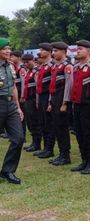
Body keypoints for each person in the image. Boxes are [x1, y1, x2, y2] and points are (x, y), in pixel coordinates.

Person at [68, 40, 90, 174]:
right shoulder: (76, 68)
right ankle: (84, 161)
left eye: (81, 49)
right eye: (77, 49)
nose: (78, 51)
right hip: (77, 106)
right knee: (79, 134)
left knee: (89, 135)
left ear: (89, 51)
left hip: (88, 107)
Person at [0, 37, 24, 184]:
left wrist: (18, 106)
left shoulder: (10, 66)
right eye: (5, 49)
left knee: (18, 138)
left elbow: (13, 86)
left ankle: (7, 171)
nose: (9, 51)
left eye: (9, 48)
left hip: (10, 106)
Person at [47, 42, 72, 166]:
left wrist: (65, 102)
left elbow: (68, 85)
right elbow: (52, 86)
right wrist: (51, 102)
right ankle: (61, 154)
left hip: (62, 99)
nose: (53, 53)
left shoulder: (67, 66)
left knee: (62, 128)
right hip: (55, 99)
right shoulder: (55, 67)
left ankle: (65, 155)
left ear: (63, 51)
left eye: (56, 51)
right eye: (53, 51)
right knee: (57, 127)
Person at [34, 42, 55, 158]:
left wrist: (50, 101)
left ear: (48, 52)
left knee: (49, 123)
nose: (40, 52)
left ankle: (49, 148)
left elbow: (52, 85)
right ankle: (45, 147)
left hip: (48, 96)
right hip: (41, 97)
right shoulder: (42, 66)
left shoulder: (52, 65)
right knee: (42, 122)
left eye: (42, 50)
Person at [21, 54, 42, 154]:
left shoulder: (36, 72)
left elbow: (38, 88)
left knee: (35, 122)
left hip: (33, 100)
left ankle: (37, 144)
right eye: (24, 62)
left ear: (33, 61)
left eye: (27, 62)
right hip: (27, 100)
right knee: (30, 122)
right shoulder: (28, 72)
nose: (26, 64)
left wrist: (37, 102)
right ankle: (34, 142)